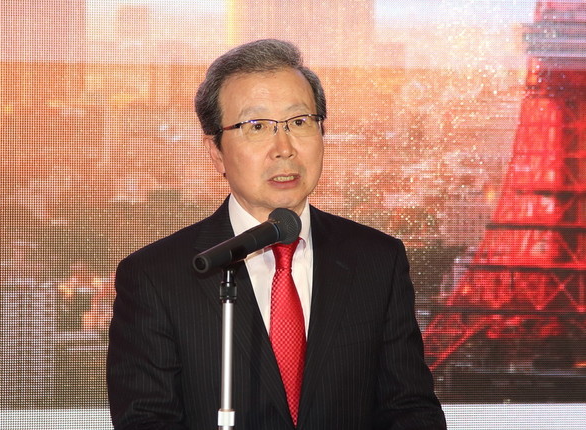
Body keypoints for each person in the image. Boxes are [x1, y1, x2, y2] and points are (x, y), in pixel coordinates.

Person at [107, 39, 447, 430]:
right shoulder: (155, 277)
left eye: (299, 122)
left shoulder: (378, 260)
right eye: (256, 127)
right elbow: (147, 421)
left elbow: (410, 410)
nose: (284, 148)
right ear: (215, 151)